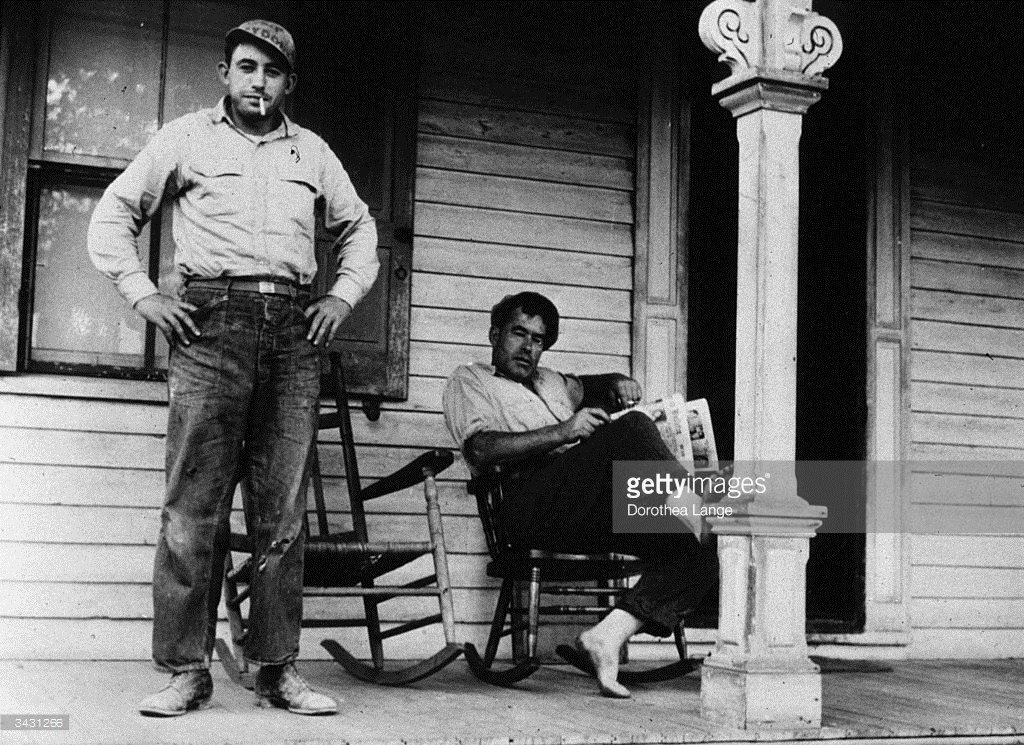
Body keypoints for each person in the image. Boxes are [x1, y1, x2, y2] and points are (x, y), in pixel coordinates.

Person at [88, 19, 379, 717]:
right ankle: (186, 669)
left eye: (273, 72)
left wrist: (341, 296)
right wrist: (144, 294)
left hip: (293, 332)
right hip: (209, 327)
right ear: (225, 73)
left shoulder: (312, 152)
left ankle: (276, 668)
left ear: (290, 83)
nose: (258, 82)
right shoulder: (186, 139)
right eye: (247, 67)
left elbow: (360, 228)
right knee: (193, 511)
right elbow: (114, 214)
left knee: (281, 512)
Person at [442, 292, 718, 698]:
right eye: (519, 333)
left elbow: (595, 386)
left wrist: (616, 382)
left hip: (583, 507)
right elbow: (481, 449)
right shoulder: (470, 380)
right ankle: (703, 511)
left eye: (538, 339)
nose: (528, 347)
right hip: (529, 507)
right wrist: (565, 431)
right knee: (631, 430)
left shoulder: (552, 382)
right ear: (494, 333)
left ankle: (606, 636)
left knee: (697, 552)